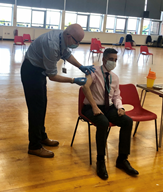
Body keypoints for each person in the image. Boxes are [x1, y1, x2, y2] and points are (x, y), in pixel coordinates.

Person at [21, 24, 95, 158]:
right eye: (76, 41)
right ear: (68, 36)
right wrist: (73, 80)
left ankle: (41, 136)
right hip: (31, 72)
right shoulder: (52, 45)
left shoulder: (63, 37)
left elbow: (66, 54)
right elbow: (53, 76)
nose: (77, 45)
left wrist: (81, 66)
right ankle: (34, 146)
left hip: (39, 70)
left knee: (42, 106)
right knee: (36, 109)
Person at [82, 48, 139, 180]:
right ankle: (101, 160)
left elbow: (116, 96)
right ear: (104, 59)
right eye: (110, 59)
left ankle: (122, 159)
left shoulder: (115, 77)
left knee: (127, 121)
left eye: (115, 60)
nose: (113, 62)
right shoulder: (93, 71)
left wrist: (120, 107)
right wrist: (95, 107)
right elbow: (85, 87)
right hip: (91, 107)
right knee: (103, 122)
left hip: (108, 108)